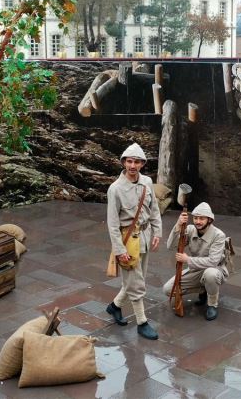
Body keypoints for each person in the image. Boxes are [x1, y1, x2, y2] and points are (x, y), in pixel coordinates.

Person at [105, 143, 162, 340]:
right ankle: (142, 322)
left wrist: (157, 232)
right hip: (127, 240)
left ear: (142, 164)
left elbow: (154, 209)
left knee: (137, 278)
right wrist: (119, 250)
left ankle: (114, 307)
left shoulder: (147, 182)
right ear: (123, 163)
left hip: (144, 237)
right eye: (129, 161)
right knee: (136, 283)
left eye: (136, 161)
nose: (132, 165)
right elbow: (112, 225)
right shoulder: (115, 189)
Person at [162, 202, 228, 321]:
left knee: (210, 274)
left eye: (202, 218)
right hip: (196, 270)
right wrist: (178, 225)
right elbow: (170, 246)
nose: (198, 221)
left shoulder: (218, 235)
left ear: (209, 219)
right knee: (168, 289)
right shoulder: (190, 229)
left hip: (216, 270)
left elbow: (213, 262)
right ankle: (204, 289)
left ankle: (212, 304)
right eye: (196, 218)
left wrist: (188, 259)